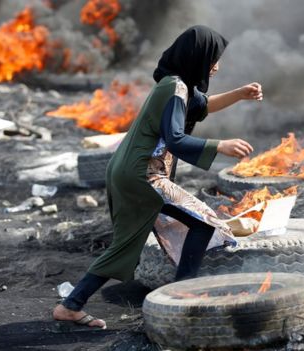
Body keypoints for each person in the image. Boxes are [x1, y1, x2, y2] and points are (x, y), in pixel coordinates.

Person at [53, 25, 263, 329]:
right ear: (197, 57)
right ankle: (180, 299)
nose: (216, 66)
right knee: (204, 222)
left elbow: (203, 106)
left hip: (128, 170)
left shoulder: (178, 85)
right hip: (143, 174)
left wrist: (240, 94)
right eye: (213, 58)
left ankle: (71, 306)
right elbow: (175, 139)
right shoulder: (174, 87)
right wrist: (220, 146)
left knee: (124, 245)